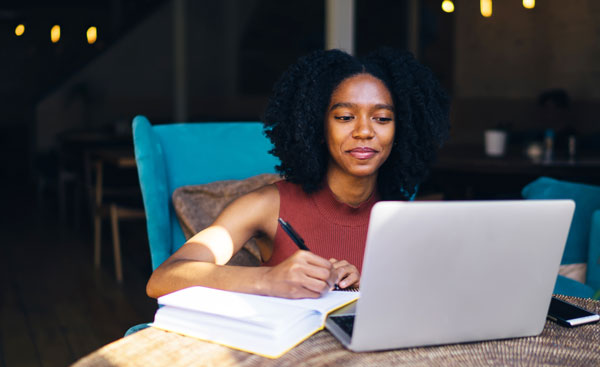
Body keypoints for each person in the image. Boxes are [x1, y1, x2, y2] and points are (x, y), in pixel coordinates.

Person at [146, 48, 449, 300]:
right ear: (317, 127)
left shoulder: (401, 218)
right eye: (345, 117)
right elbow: (164, 278)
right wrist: (268, 279)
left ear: (401, 131)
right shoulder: (268, 205)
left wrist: (361, 291)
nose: (365, 131)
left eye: (382, 118)